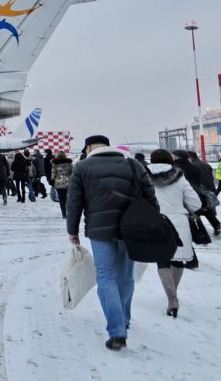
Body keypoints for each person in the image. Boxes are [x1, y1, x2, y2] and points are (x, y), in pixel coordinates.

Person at [66, 135, 158, 351]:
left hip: (99, 230)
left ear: (89, 147)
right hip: (131, 229)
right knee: (126, 276)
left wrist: (72, 230)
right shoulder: (133, 165)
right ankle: (124, 318)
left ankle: (117, 331)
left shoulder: (82, 167)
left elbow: (74, 203)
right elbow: (151, 197)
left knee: (106, 276)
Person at [148, 149, 202, 318]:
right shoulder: (179, 177)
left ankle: (172, 298)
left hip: (155, 221)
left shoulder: (144, 176)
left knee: (162, 260)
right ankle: (173, 296)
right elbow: (195, 203)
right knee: (177, 260)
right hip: (178, 222)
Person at [173, 150, 220, 236]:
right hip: (200, 191)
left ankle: (201, 232)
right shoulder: (196, 166)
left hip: (187, 192)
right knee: (204, 211)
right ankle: (215, 225)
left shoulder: (176, 168)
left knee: (194, 213)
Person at [51, 151, 73, 218]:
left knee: (61, 199)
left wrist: (52, 181)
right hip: (68, 183)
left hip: (58, 183)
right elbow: (72, 172)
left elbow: (53, 174)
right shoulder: (69, 163)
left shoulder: (55, 164)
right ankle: (68, 212)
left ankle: (64, 214)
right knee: (67, 198)